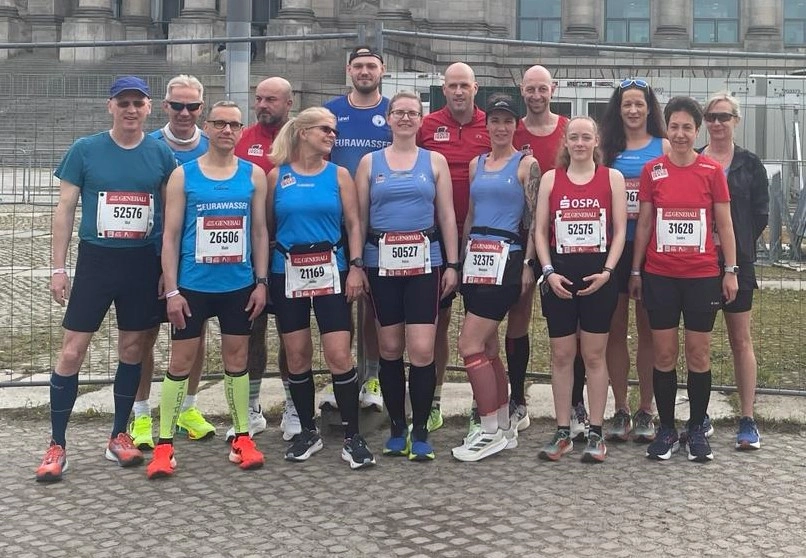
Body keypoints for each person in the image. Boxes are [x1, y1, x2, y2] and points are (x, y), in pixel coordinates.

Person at [36, 76, 176, 482]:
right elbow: (64, 209)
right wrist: (58, 268)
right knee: (71, 351)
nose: (131, 110)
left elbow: (170, 217)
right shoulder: (85, 149)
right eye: (124, 102)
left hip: (141, 264)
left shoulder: (160, 153)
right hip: (96, 261)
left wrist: (168, 275)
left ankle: (119, 435)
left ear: (149, 108)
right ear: (110, 106)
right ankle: (57, 443)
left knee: (133, 348)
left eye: (138, 103)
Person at [146, 101, 268, 478]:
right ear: (208, 127)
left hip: (238, 285)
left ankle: (242, 437)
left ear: (241, 129)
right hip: (193, 287)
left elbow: (260, 232)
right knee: (180, 362)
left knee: (237, 361)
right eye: (219, 123)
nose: (227, 130)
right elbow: (169, 235)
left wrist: (261, 282)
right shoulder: (185, 175)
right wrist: (172, 291)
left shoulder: (254, 175)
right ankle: (164, 443)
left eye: (234, 124)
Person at [630, 96, 739, 462]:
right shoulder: (653, 171)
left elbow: (725, 224)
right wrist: (635, 270)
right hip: (660, 275)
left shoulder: (711, 171)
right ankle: (665, 428)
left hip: (702, 276)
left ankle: (695, 428)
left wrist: (731, 270)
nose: (680, 134)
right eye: (673, 127)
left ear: (698, 130)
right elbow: (644, 223)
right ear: (668, 129)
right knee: (663, 354)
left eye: (687, 127)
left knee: (698, 353)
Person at [266, 107, 376, 469]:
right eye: (325, 130)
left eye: (334, 130)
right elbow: (266, 227)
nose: (332, 136)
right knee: (296, 354)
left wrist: (356, 267)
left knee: (339, 355)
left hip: (331, 269)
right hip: (288, 270)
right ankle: (307, 431)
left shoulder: (339, 175)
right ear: (303, 132)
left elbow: (354, 224)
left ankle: (352, 436)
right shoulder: (277, 176)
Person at [355, 91, 459, 461]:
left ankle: (421, 430)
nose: (404, 118)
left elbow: (446, 214)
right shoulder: (370, 163)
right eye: (398, 112)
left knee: (421, 349)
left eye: (412, 113)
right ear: (388, 118)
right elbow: (360, 218)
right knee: (389, 348)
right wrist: (356, 263)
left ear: (421, 119)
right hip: (380, 263)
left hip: (424, 262)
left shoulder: (435, 161)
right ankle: (397, 426)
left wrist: (453, 263)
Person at [451, 94, 539, 462]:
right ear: (486, 125)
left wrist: (529, 264)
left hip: (506, 256)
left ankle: (487, 430)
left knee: (468, 345)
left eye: (507, 121)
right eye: (495, 121)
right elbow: (471, 214)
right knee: (487, 348)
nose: (501, 128)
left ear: (516, 125)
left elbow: (535, 220)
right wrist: (459, 261)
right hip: (475, 258)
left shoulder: (526, 164)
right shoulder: (476, 164)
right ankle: (502, 423)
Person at [129, 74, 214, 450]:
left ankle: (187, 409)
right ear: (164, 106)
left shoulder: (212, 147)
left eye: (192, 106)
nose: (184, 113)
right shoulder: (146, 145)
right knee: (143, 336)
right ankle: (142, 413)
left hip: (196, 257)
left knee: (193, 338)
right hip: (149, 253)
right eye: (177, 105)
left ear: (201, 108)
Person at [535, 116, 626, 463]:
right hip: (559, 275)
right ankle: (562, 432)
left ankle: (596, 433)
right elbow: (540, 232)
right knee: (561, 356)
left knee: (593, 356)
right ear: (566, 143)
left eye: (586, 137)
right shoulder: (550, 179)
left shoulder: (611, 178)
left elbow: (619, 231)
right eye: (573, 137)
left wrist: (607, 271)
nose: (580, 143)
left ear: (595, 142)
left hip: (598, 277)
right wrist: (547, 271)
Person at [417, 62, 490, 434]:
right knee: (438, 325)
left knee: (483, 328)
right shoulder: (427, 126)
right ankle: (433, 402)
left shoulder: (490, 126)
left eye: (465, 85)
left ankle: (484, 403)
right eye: (452, 86)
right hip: (436, 241)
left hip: (482, 241)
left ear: (475, 88)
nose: (459, 92)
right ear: (443, 90)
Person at [599, 78, 671, 444]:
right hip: (612, 247)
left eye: (639, 104)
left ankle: (647, 408)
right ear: (618, 108)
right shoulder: (606, 149)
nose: (632, 110)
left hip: (651, 247)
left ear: (649, 108)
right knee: (614, 329)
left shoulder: (664, 146)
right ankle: (621, 407)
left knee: (647, 330)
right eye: (626, 104)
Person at [321, 46, 392, 412]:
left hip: (381, 221)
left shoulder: (393, 112)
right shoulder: (331, 112)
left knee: (375, 307)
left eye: (371, 66)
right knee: (340, 304)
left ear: (383, 69)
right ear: (349, 69)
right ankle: (343, 375)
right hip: (336, 222)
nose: (365, 71)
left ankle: (374, 377)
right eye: (359, 66)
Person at [700, 91, 768, 450]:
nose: (716, 123)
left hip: (737, 266)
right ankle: (702, 412)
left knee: (741, 340)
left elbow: (761, 214)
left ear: (735, 121)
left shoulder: (750, 164)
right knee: (700, 342)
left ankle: (747, 418)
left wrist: (735, 250)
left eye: (723, 117)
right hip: (698, 265)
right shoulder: (693, 160)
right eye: (711, 116)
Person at [234, 76, 299, 443]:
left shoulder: (300, 138)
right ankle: (253, 405)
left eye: (271, 99)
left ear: (289, 103)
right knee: (251, 329)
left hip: (293, 255)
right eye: (258, 98)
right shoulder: (242, 139)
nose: (262, 105)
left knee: (292, 334)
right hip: (248, 253)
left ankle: (292, 405)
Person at [505, 64, 569, 433]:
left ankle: (574, 401)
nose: (536, 95)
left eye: (542, 89)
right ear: (522, 90)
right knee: (519, 314)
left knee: (569, 323)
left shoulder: (568, 130)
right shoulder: (513, 130)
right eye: (530, 89)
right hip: (524, 235)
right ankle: (517, 397)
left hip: (568, 238)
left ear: (553, 89)